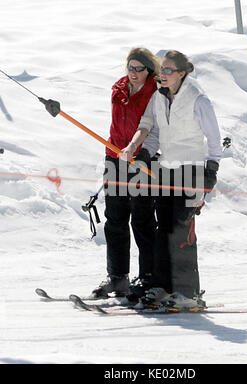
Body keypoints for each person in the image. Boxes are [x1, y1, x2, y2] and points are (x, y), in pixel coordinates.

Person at [125, 50, 222, 309]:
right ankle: (163, 286)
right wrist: (145, 153)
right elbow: (156, 132)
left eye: (168, 70)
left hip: (190, 170)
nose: (163, 75)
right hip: (166, 170)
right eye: (162, 70)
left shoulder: (198, 100)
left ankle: (189, 292)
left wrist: (210, 170)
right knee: (163, 230)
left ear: (181, 73)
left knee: (183, 230)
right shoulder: (158, 97)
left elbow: (213, 140)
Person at [91, 48, 160, 299]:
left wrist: (138, 152)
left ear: (149, 70)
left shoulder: (155, 92)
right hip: (114, 155)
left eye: (139, 68)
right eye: (130, 67)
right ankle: (117, 277)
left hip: (141, 160)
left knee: (141, 220)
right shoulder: (119, 88)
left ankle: (148, 278)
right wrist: (117, 151)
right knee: (115, 218)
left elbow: (154, 128)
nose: (133, 73)